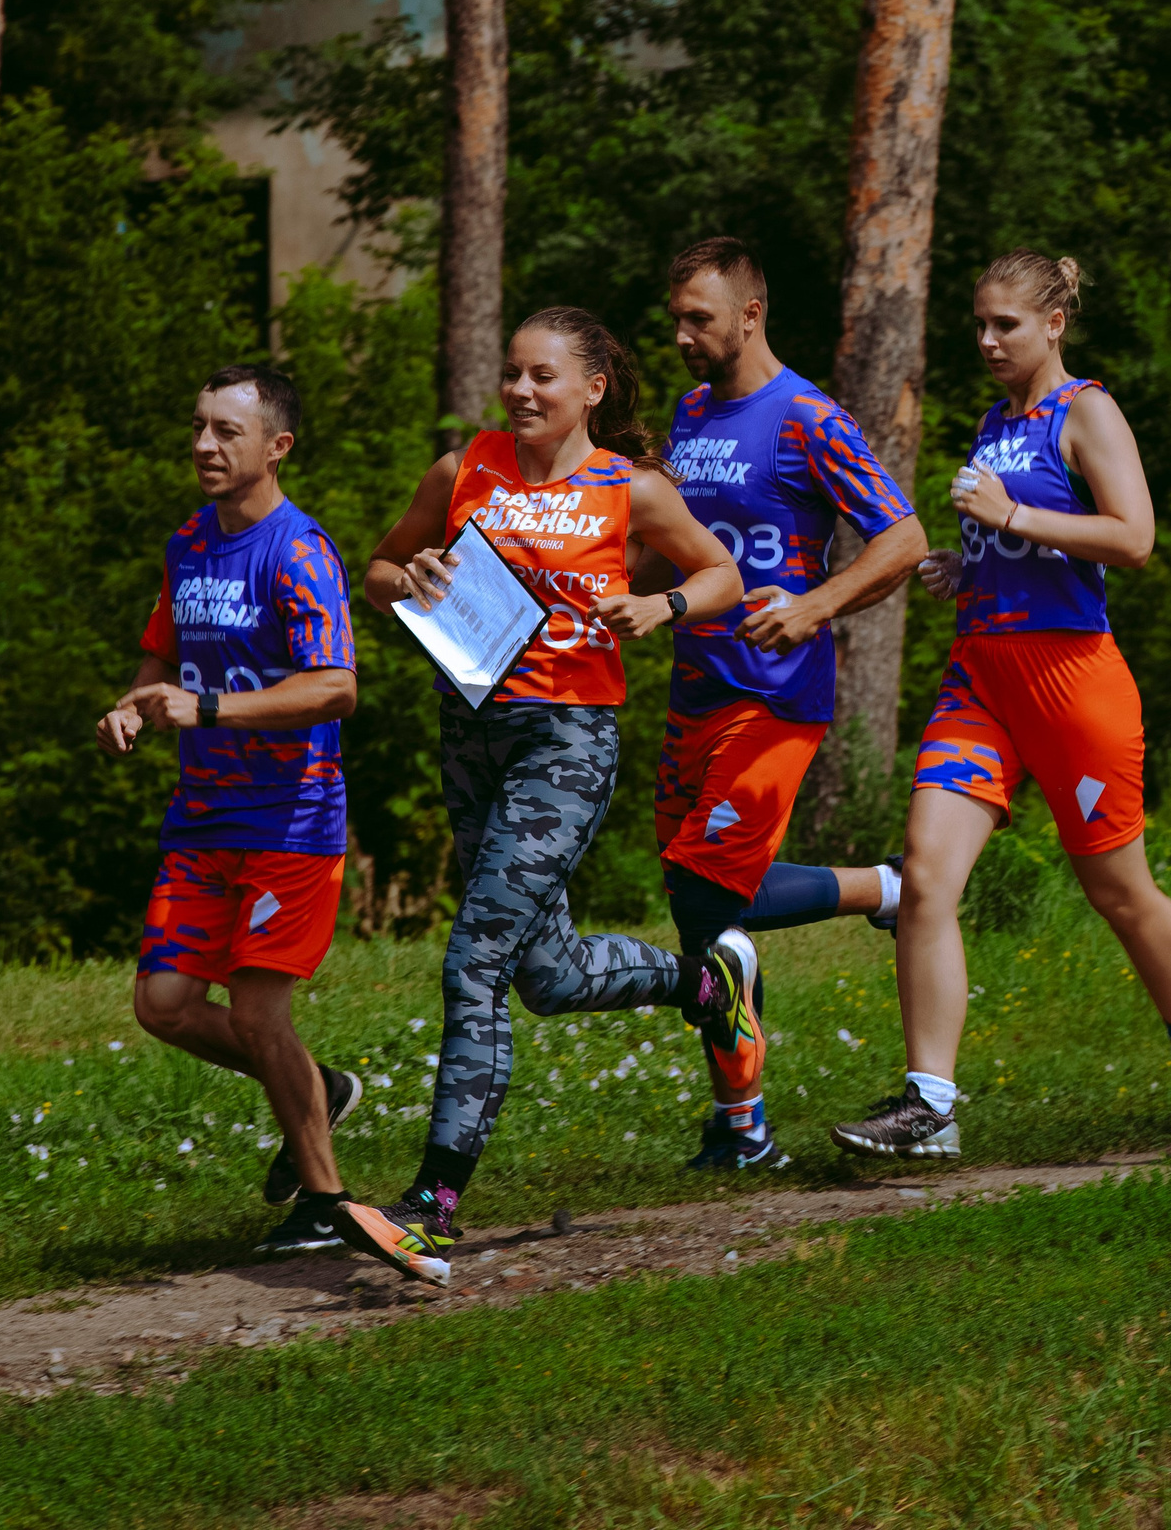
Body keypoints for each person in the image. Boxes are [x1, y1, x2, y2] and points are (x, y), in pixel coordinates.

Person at [830, 252, 1171, 1164]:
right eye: (978, 324)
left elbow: (1132, 538)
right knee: (929, 882)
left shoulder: (1085, 411)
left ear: (1054, 324)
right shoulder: (993, 422)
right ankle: (929, 1104)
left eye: (1005, 325)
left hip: (1073, 682)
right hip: (982, 677)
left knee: (1118, 891)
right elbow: (1013, 537)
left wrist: (1012, 516)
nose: (985, 340)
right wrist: (965, 564)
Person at [363, 309, 749, 1253]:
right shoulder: (464, 470)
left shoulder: (631, 489)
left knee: (476, 964)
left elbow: (723, 575)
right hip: (471, 735)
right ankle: (705, 985)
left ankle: (435, 1205)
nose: (523, 392)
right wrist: (406, 577)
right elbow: (373, 568)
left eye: (544, 376)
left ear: (592, 389)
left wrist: (661, 605)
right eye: (512, 375)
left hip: (567, 742)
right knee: (548, 974)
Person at [101, 365, 441, 1284]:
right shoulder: (188, 545)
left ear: (277, 447)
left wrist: (205, 710)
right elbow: (157, 660)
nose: (206, 445)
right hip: (200, 822)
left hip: (291, 825)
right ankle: (320, 1092)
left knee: (257, 1012)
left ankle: (326, 1203)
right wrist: (134, 710)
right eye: (201, 426)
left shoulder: (299, 553)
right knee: (163, 1007)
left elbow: (338, 686)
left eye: (228, 432)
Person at [641, 239, 927, 1171]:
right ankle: (741, 1124)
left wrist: (815, 605)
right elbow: (674, 548)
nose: (682, 335)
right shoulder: (687, 414)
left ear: (751, 313)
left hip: (776, 695)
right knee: (702, 924)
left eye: (700, 319)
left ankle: (881, 889)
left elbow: (904, 538)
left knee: (708, 887)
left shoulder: (807, 416)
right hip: (694, 688)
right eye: (676, 318)